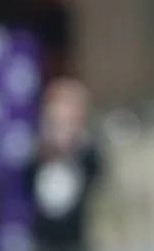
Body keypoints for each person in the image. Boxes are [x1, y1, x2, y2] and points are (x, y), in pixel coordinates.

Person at [24, 78, 103, 251]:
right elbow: (28, 182)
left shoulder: (87, 149)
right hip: (44, 237)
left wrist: (73, 146)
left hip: (75, 237)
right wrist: (48, 150)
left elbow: (95, 177)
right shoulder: (40, 148)